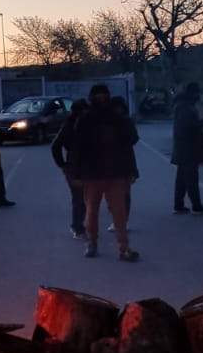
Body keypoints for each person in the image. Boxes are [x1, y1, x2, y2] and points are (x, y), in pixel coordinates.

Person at [69, 83, 139, 261]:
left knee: (117, 213)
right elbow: (77, 148)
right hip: (97, 175)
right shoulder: (89, 120)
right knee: (95, 212)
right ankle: (96, 243)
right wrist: (75, 173)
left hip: (111, 173)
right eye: (98, 95)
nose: (101, 98)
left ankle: (120, 247)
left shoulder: (114, 119)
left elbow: (128, 144)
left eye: (103, 95)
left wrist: (131, 170)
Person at [49, 98, 89, 239]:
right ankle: (78, 227)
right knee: (79, 199)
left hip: (85, 165)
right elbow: (55, 147)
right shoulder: (69, 126)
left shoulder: (88, 125)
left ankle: (82, 226)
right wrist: (63, 164)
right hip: (74, 166)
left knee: (85, 199)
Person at [170, 82, 203, 214]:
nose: (199, 96)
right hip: (188, 148)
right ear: (193, 93)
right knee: (191, 178)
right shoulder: (186, 107)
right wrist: (201, 126)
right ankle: (196, 205)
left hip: (183, 148)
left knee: (182, 178)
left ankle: (179, 204)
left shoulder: (182, 105)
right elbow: (188, 127)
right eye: (197, 93)